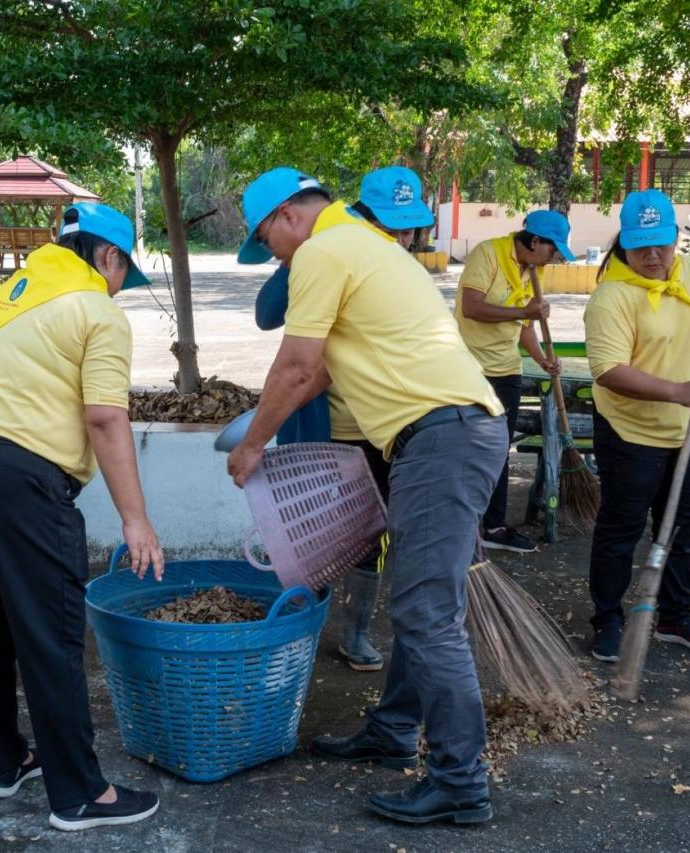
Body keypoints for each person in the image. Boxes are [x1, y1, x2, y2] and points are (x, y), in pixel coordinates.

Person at [228, 167, 506, 826]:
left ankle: (461, 781)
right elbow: (324, 367)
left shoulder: (323, 251)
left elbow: (296, 365)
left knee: (426, 612)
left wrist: (252, 446)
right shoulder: (367, 245)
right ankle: (394, 728)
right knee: (422, 600)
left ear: (290, 216)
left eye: (268, 241)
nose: (275, 254)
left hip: (441, 438)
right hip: (452, 433)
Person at [0, 202, 163, 832]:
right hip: (19, 480)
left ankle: (3, 764)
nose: (120, 287)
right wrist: (135, 520)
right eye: (122, 272)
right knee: (50, 634)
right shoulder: (97, 312)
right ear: (108, 256)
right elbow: (105, 417)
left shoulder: (9, 292)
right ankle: (80, 795)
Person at [251, 166, 436, 673]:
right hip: (320, 429)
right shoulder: (320, 254)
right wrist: (290, 261)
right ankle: (291, 631)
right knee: (308, 533)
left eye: (404, 229)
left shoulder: (386, 265)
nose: (394, 236)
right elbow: (269, 317)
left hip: (380, 429)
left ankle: (354, 633)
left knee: (369, 536)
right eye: (385, 223)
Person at [583, 189, 690, 664]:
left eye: (661, 244)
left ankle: (675, 616)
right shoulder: (611, 296)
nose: (652, 256)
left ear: (677, 237)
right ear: (624, 245)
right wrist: (678, 390)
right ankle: (608, 619)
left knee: (680, 524)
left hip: (687, 429)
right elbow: (608, 370)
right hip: (630, 431)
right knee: (622, 526)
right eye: (640, 247)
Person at [455, 211, 573, 553]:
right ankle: (460, 523)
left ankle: (493, 526)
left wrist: (542, 359)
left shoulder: (531, 270)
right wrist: (525, 312)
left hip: (507, 369)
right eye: (552, 251)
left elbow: (525, 328)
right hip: (470, 368)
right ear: (534, 241)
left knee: (498, 450)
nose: (552, 260)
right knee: (467, 448)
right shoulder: (488, 254)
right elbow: (471, 308)